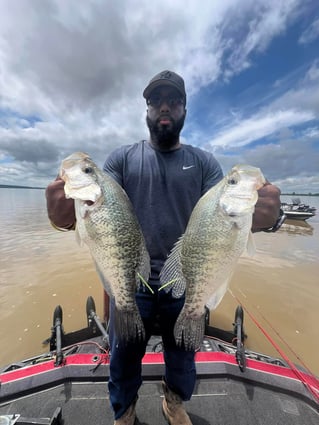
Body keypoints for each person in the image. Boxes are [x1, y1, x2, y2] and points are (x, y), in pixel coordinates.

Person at [46, 70, 282, 425]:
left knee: (184, 353)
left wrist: (266, 216)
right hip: (130, 275)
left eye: (173, 100)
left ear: (185, 109)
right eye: (156, 100)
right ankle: (124, 411)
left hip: (184, 274)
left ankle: (174, 403)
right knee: (123, 353)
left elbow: (226, 216)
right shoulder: (122, 160)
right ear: (147, 110)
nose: (164, 107)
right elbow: (92, 216)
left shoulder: (203, 163)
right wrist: (61, 216)